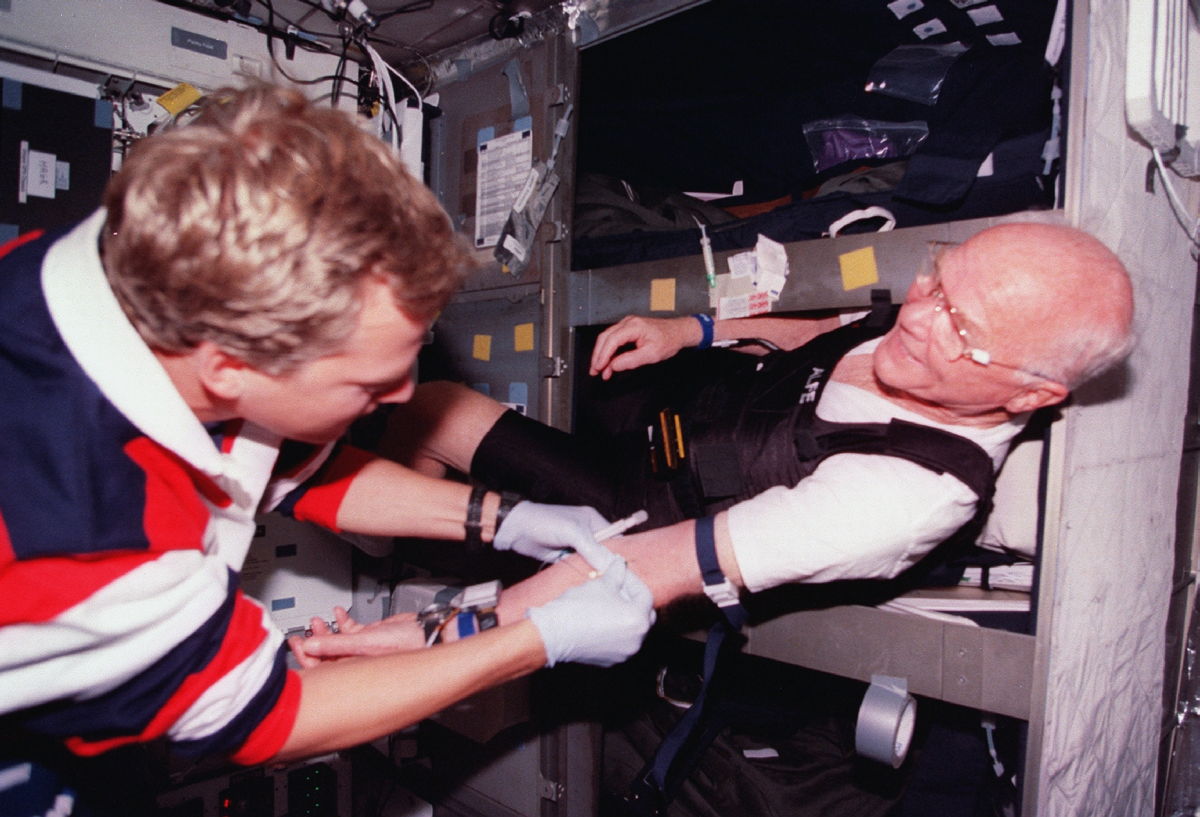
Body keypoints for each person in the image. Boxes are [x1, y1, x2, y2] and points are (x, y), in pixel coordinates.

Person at [0, 83, 655, 815]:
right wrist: (542, 638)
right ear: (230, 367)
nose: (407, 394)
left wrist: (506, 516)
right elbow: (278, 719)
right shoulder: (91, 537)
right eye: (368, 381)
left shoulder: (112, 277)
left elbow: (274, 463)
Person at [293, 220, 1134, 660]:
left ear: (1033, 391)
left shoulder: (901, 497)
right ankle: (369, 516)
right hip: (680, 410)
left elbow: (641, 570)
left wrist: (415, 640)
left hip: (633, 518)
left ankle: (387, 555)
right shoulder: (926, 324)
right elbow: (833, 328)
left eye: (963, 329)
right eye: (937, 280)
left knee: (436, 405)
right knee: (428, 403)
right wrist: (694, 329)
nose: (919, 318)